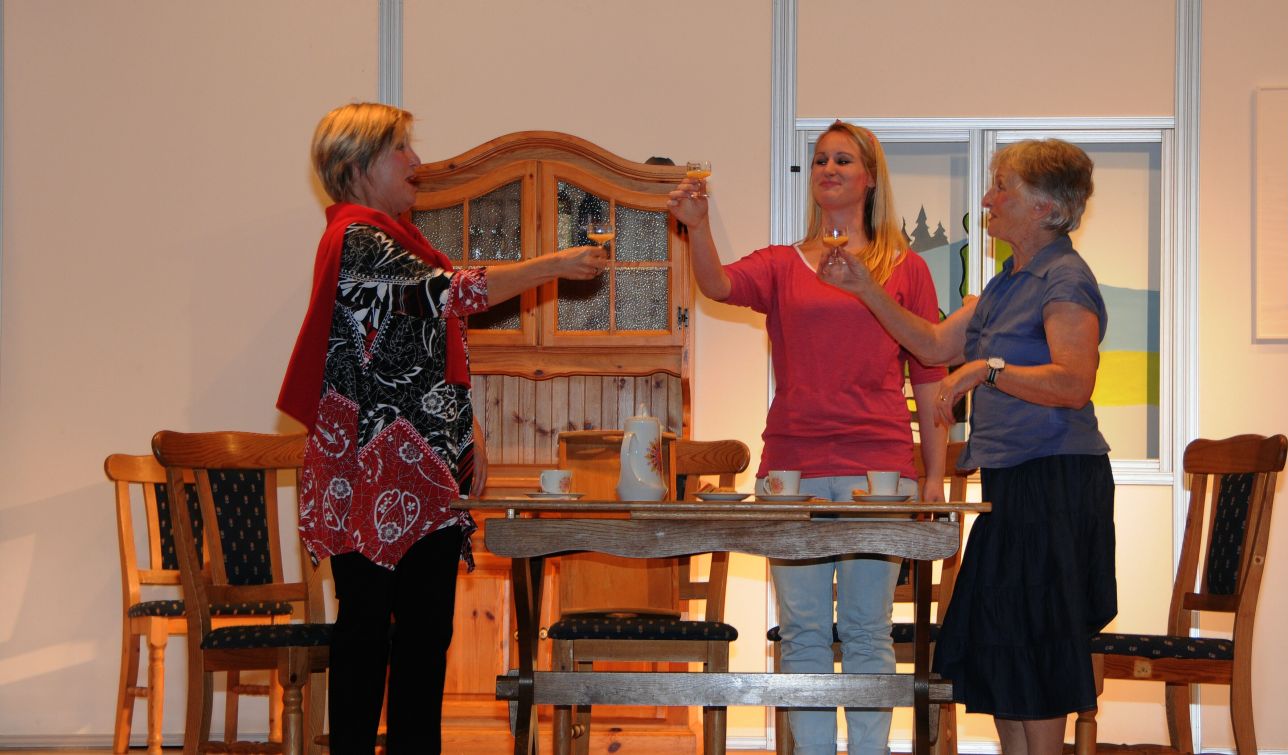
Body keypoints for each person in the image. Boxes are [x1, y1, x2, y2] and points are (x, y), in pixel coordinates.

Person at [278, 102, 606, 754]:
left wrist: (467, 432)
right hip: (371, 475)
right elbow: (451, 293)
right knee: (369, 634)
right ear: (358, 165)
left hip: (422, 474)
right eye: (401, 149)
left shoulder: (400, 242)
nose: (417, 162)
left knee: (425, 639)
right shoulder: (356, 239)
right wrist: (553, 266)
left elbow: (427, 351)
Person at [820, 138, 1116, 755]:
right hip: (1011, 482)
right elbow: (932, 345)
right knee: (1004, 649)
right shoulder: (1006, 283)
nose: (988, 199)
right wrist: (866, 288)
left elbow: (1073, 383)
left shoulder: (1064, 278)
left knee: (1037, 648)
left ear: (1044, 206)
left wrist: (987, 370)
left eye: (1002, 188)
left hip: (1057, 481)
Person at [667, 121, 949, 755]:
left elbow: (930, 377)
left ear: (869, 178)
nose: (829, 169)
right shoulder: (782, 264)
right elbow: (717, 285)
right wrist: (697, 226)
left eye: (843, 159)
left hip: (878, 471)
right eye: (821, 159)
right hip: (791, 468)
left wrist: (933, 475)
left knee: (868, 629)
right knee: (802, 632)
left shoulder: (905, 269)